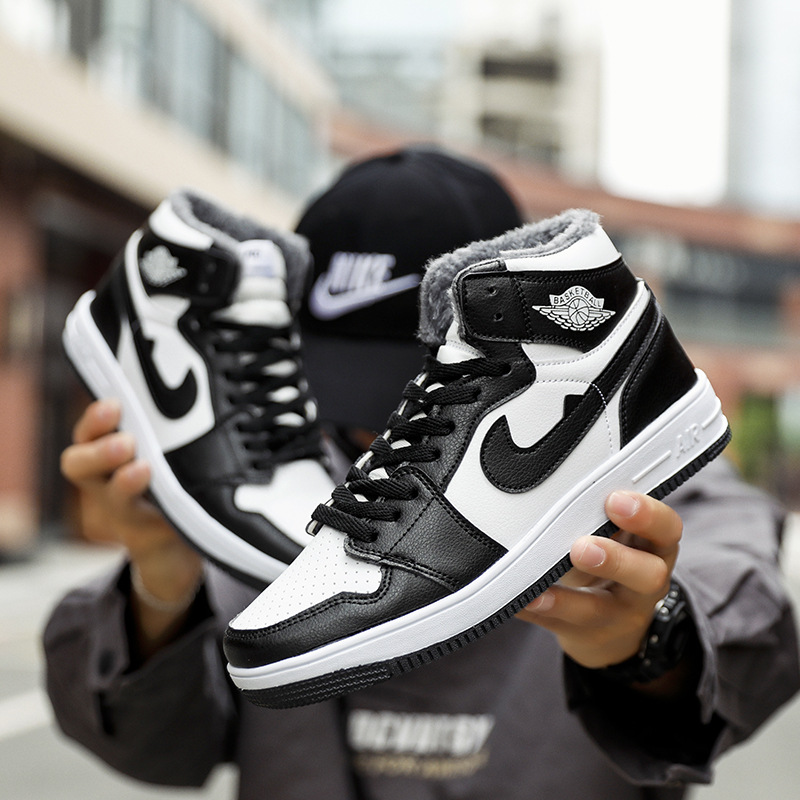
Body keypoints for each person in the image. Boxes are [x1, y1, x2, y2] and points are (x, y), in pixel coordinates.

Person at [45, 147, 799, 799]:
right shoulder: (264, 503)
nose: (373, 435)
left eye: (425, 411)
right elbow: (152, 750)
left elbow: (753, 624)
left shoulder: (643, 473)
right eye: (339, 396)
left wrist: (646, 640)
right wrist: (162, 575)